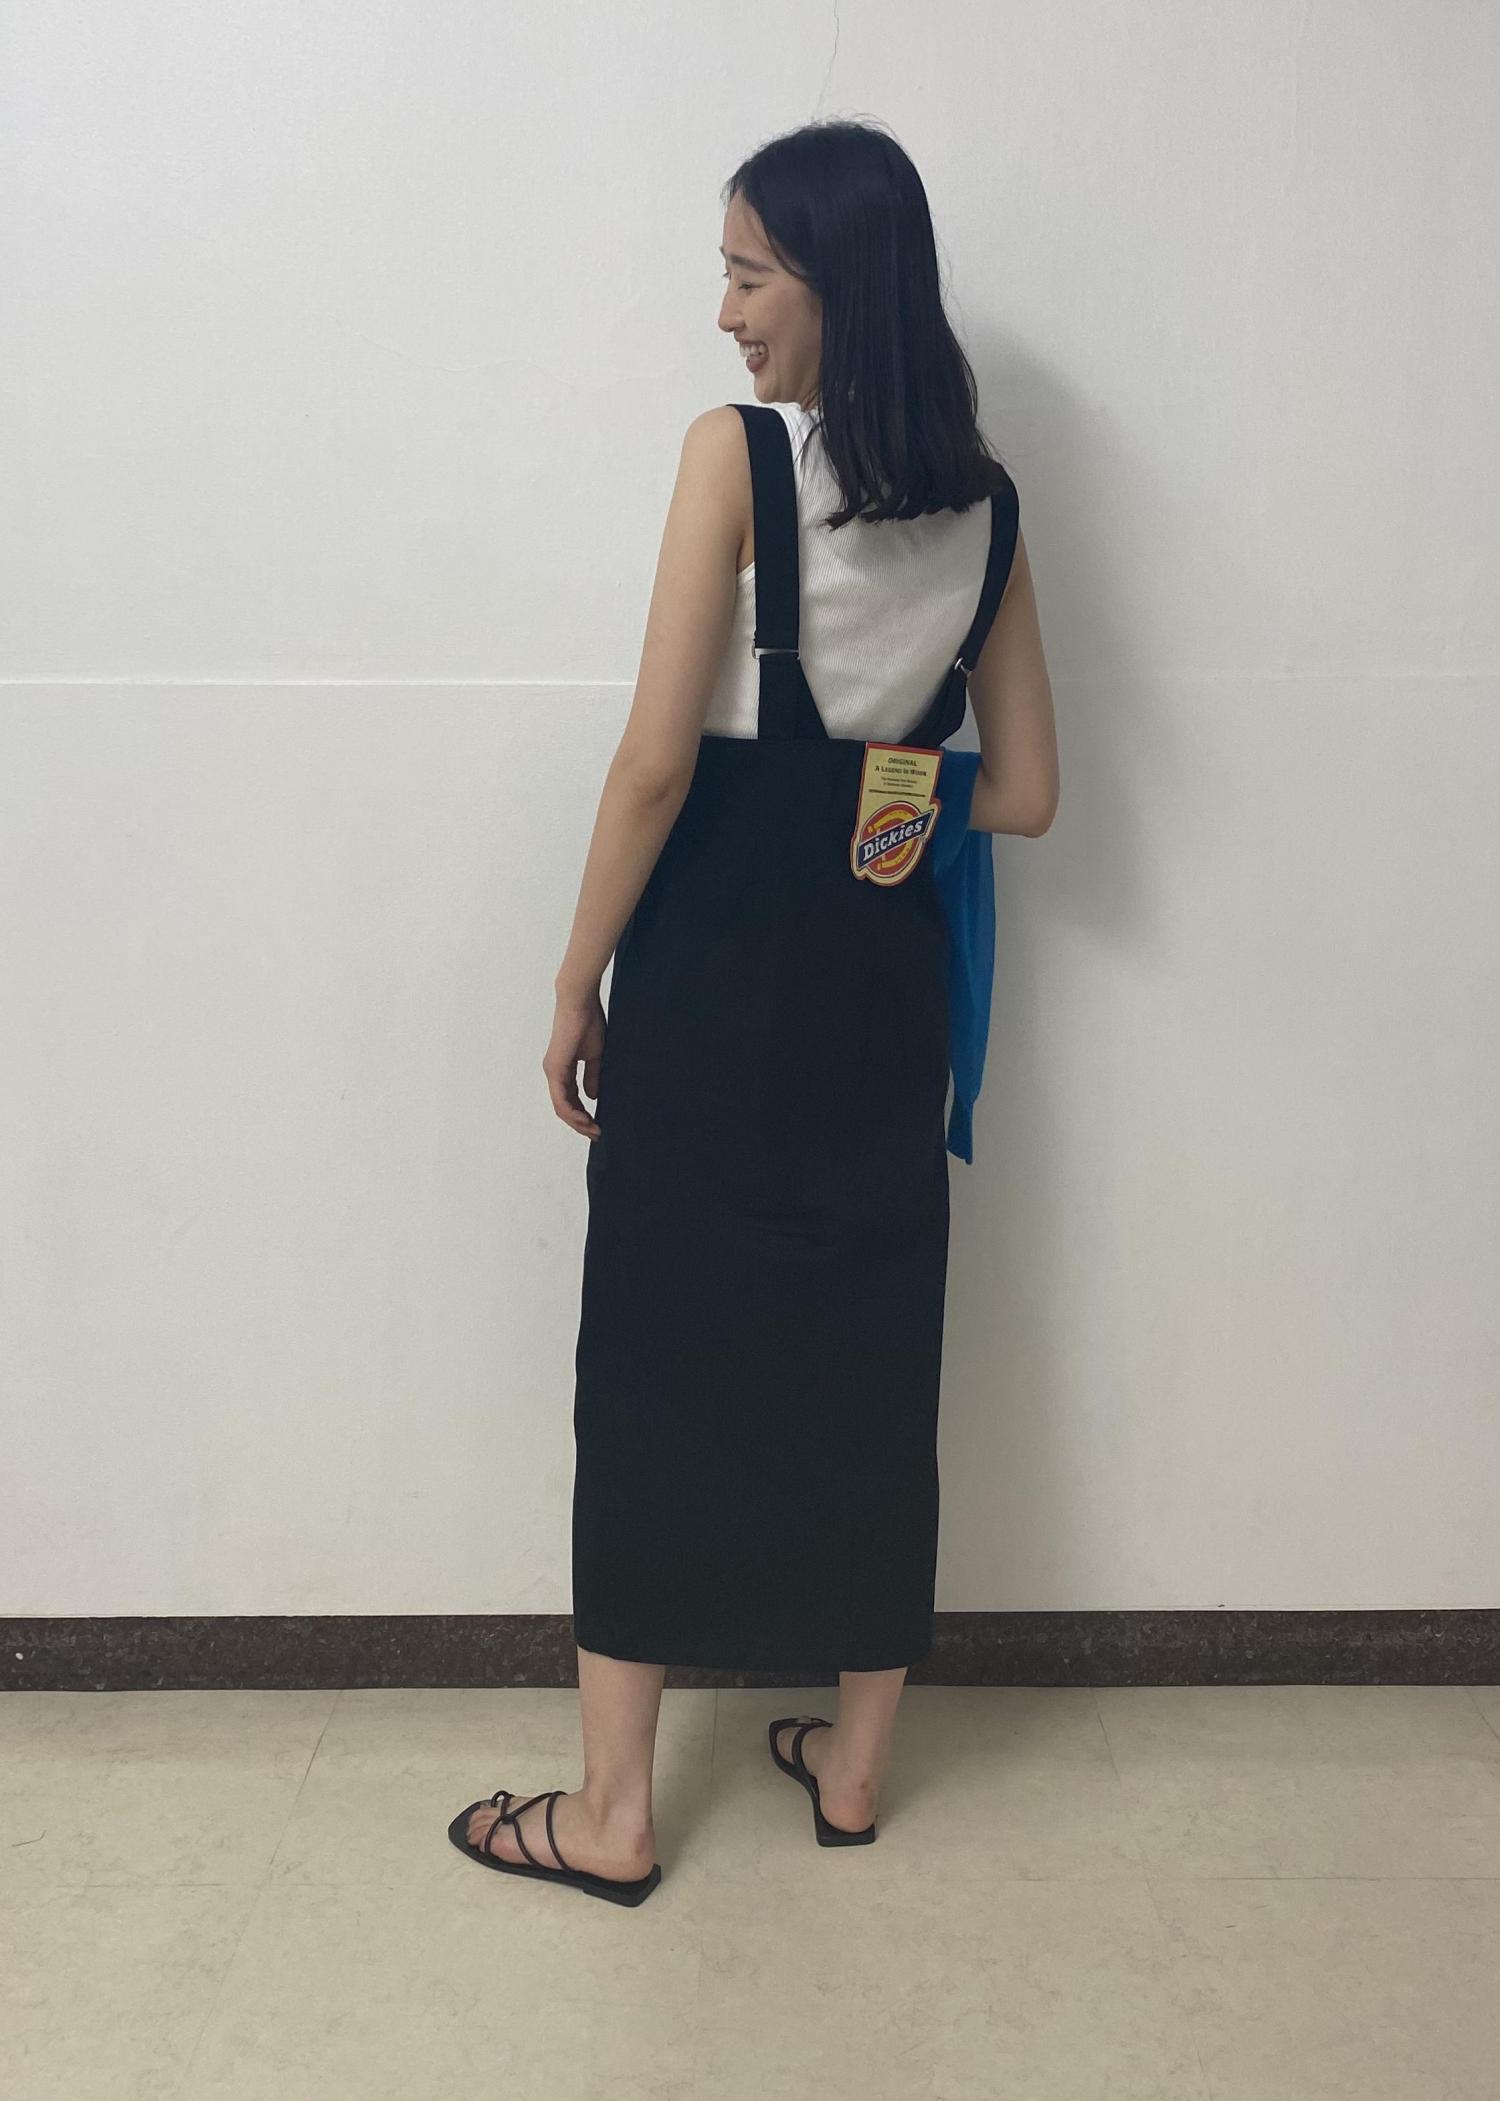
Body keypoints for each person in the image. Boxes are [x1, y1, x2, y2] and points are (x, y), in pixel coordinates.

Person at [455, 120, 1057, 1903]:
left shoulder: (734, 457)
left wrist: (575, 977)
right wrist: (893, 791)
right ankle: (852, 1777)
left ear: (837, 283)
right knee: (873, 1356)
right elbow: (1025, 791)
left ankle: (614, 1813)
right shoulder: (991, 505)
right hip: (878, 1000)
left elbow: (656, 765)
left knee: (651, 1366)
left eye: (746, 274)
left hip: (711, 990)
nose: (722, 313)